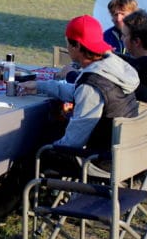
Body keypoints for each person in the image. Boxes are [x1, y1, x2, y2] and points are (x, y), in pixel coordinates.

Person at [18, 15, 139, 155]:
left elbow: (73, 142)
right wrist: (40, 86)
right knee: (51, 131)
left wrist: (48, 149)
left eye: (68, 43)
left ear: (77, 46)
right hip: (126, 154)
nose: (67, 47)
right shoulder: (111, 66)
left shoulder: (91, 85)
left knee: (31, 146)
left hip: (101, 160)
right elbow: (80, 92)